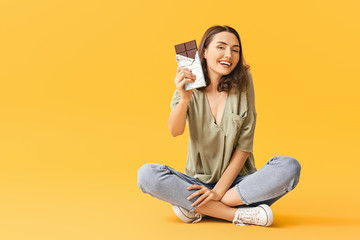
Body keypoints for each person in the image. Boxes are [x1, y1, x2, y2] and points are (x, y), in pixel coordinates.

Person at [137, 25, 301, 227]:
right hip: (197, 184)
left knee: (289, 167)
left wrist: (217, 192)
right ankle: (238, 215)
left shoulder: (244, 82)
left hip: (239, 186)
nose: (228, 55)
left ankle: (199, 209)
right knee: (147, 175)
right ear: (204, 51)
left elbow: (244, 145)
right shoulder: (188, 82)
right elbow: (174, 131)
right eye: (221, 47)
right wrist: (184, 100)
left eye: (235, 50)